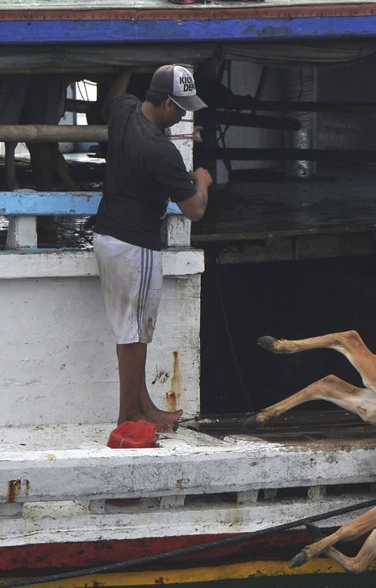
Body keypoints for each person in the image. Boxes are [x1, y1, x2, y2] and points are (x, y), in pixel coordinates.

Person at [94, 64, 212, 431]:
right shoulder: (161, 150)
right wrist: (202, 180)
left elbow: (113, 97)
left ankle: (143, 405)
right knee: (134, 334)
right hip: (135, 247)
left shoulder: (124, 111)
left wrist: (127, 62)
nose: (181, 115)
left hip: (107, 236)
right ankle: (129, 415)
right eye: (179, 108)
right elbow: (195, 210)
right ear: (164, 104)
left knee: (132, 331)